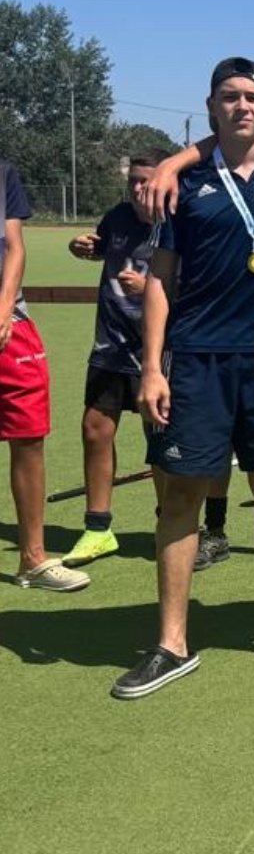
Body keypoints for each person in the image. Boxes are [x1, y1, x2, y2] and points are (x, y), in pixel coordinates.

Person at [114, 57, 254, 699]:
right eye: (229, 97)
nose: (242, 106)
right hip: (197, 361)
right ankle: (171, 643)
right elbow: (160, 279)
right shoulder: (183, 185)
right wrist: (152, 368)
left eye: (252, 97)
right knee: (182, 497)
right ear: (211, 107)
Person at [63, 151, 168, 567]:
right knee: (94, 430)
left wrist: (151, 288)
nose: (139, 189)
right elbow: (102, 247)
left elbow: (200, 287)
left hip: (158, 352)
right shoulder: (118, 217)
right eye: (134, 182)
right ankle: (97, 529)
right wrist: (82, 247)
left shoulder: (182, 221)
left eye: (147, 181)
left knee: (160, 439)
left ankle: (171, 524)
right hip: (111, 346)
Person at [2, 156, 87, 592]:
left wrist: (3, 309)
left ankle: (33, 560)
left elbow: (14, 246)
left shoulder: (3, 173)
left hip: (10, 324)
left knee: (29, 435)